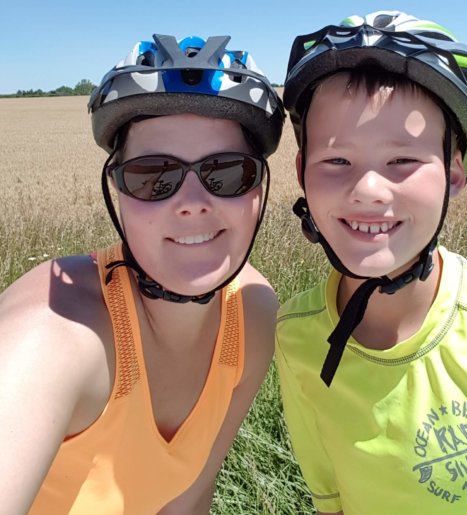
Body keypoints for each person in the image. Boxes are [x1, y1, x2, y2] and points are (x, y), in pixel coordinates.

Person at [275, 10, 467, 515]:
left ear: (454, 172)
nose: (367, 190)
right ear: (301, 173)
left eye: (402, 161)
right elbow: (332, 502)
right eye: (336, 161)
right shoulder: (294, 335)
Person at [0, 32, 284, 514]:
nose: (193, 204)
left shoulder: (253, 314)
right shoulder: (53, 333)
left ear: (257, 190)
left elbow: (189, 498)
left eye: (228, 172)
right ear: (117, 193)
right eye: (154, 176)